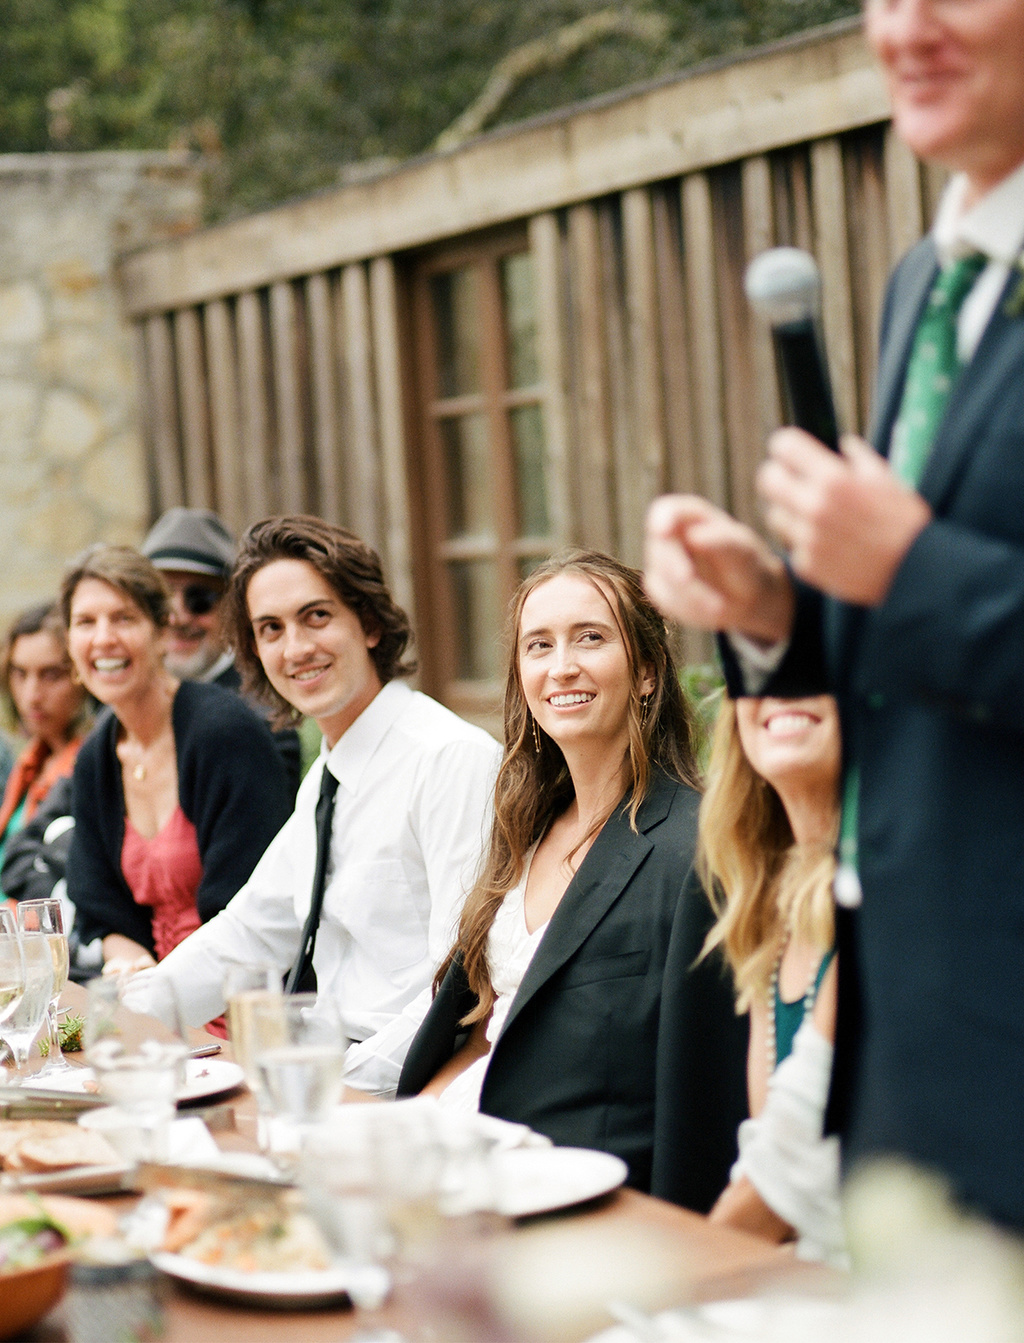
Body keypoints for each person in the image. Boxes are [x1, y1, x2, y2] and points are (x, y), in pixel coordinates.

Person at [644, 0, 1024, 1225]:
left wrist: (908, 568)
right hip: (923, 1028)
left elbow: (930, 581)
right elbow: (913, 648)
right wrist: (770, 610)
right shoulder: (929, 272)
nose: (904, 28)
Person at [397, 552, 748, 1209]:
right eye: (539, 645)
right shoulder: (521, 830)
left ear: (646, 672)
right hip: (449, 1173)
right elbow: (484, 1026)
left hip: (578, 1206)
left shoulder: (695, 849)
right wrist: (402, 1131)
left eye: (590, 636)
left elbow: (701, 1102)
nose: (561, 665)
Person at [123, 516, 501, 1098]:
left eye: (316, 616)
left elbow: (459, 985)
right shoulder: (328, 772)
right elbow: (253, 930)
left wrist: (319, 1089)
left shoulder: (448, 759)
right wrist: (113, 1019)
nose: (295, 648)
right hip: (321, 1074)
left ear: (369, 623)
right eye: (270, 629)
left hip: (403, 1091)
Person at [62, 545, 293, 975]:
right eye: (85, 622)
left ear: (161, 630)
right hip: (150, 998)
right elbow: (97, 904)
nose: (103, 638)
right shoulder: (95, 758)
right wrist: (127, 961)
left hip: (242, 992)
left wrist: (163, 991)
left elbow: (255, 911)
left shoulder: (224, 732)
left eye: (124, 618)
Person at [700, 694, 843, 1265]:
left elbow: (768, 1199)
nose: (785, 684)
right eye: (760, 658)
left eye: (818, 652)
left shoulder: (899, 890)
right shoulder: (768, 906)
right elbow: (766, 1169)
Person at [142, 507, 301, 796]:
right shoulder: (125, 701)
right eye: (162, 599)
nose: (177, 618)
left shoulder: (263, 711)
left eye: (199, 599)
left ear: (234, 607)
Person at [0, 603, 90, 875]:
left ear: (81, 673)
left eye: (51, 675)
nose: (32, 695)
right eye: (20, 673)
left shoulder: (93, 764)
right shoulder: (29, 762)